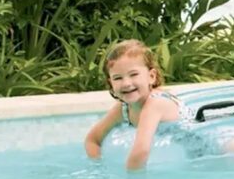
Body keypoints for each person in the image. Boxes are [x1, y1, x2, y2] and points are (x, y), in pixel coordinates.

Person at [84, 39, 195, 170]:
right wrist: (98, 169)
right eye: (118, 78)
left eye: (133, 74)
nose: (126, 83)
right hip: (184, 155)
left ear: (151, 76)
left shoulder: (155, 104)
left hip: (204, 150)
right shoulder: (124, 108)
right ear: (111, 83)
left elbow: (140, 152)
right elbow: (92, 140)